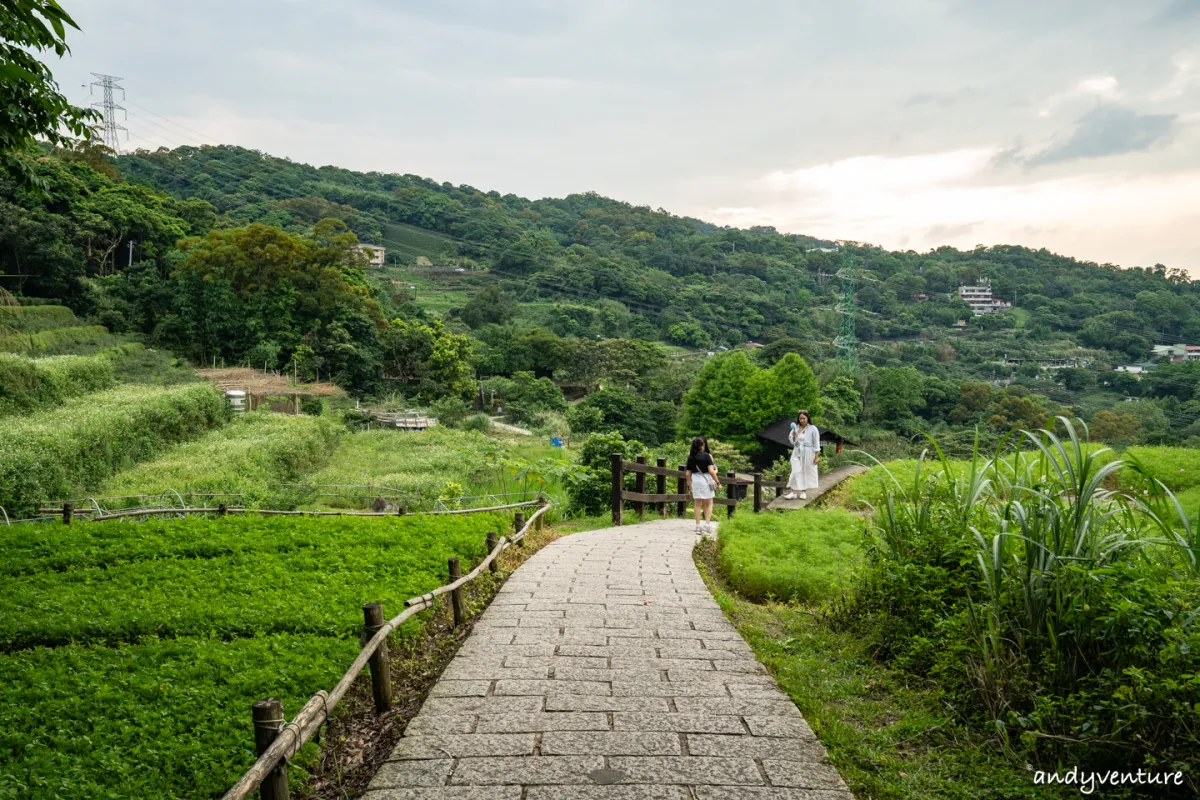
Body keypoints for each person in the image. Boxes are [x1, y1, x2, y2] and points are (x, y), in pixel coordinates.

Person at [685, 436, 720, 534]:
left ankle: (697, 526)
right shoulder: (707, 456)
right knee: (709, 503)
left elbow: (687, 474)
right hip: (705, 480)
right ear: (703, 445)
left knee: (697, 504)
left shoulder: (690, 456)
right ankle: (707, 526)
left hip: (695, 480)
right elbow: (711, 471)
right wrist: (718, 482)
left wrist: (690, 485)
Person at [784, 410, 820, 500]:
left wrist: (816, 457)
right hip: (797, 451)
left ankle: (803, 492)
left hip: (808, 452)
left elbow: (816, 443)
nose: (802, 420)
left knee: (805, 471)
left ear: (807, 418)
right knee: (795, 471)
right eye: (800, 418)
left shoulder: (813, 428)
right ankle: (793, 492)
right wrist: (794, 435)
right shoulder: (795, 428)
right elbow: (792, 441)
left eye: (804, 418)